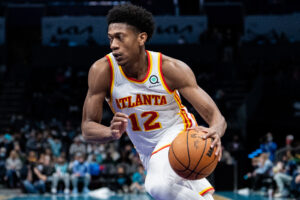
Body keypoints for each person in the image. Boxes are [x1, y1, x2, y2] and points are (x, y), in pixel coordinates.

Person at [81, 4, 226, 200]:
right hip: (146, 150)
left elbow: (216, 117)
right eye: (110, 38)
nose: (113, 45)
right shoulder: (102, 71)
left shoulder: (170, 68)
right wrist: (110, 132)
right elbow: (87, 128)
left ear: (142, 37)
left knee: (157, 187)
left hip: (177, 133)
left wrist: (216, 130)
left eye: (120, 37)